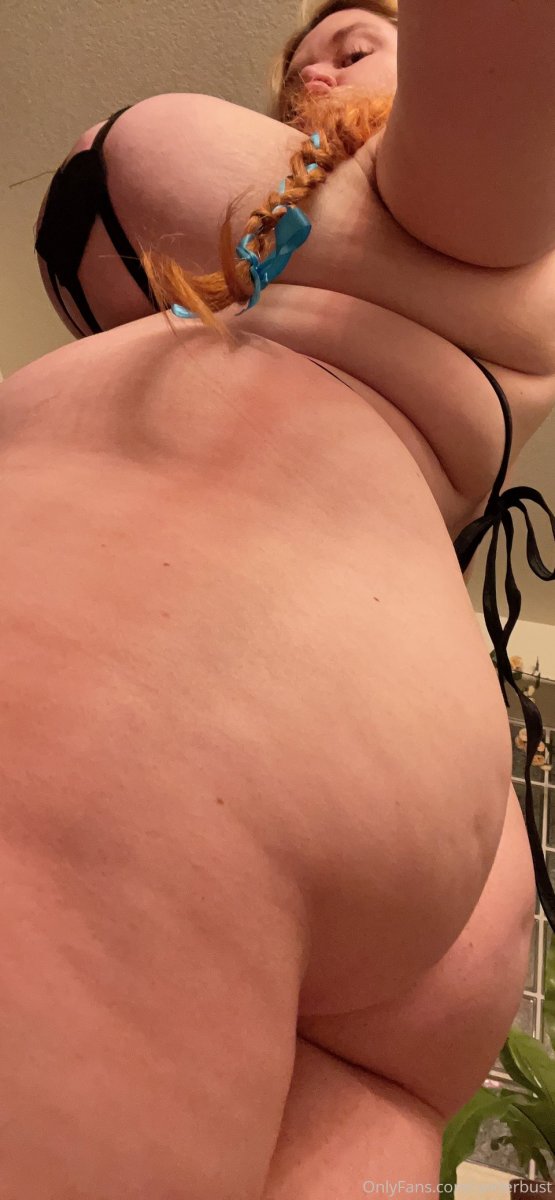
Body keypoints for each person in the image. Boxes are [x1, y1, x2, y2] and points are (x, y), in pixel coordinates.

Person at [2, 0, 554, 1194]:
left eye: (358, 42)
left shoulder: (441, 201)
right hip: (345, 752)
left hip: (172, 682)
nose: (319, 68)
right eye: (303, 63)